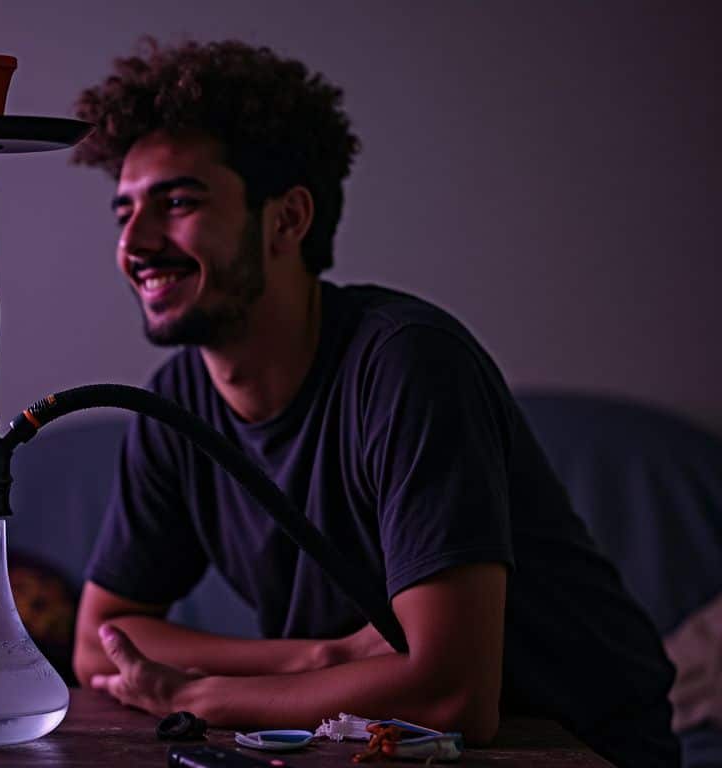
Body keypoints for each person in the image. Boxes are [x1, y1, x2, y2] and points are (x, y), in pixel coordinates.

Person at [68, 38, 679, 767]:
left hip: (573, 749)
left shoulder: (409, 365)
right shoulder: (176, 408)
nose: (135, 242)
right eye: (123, 213)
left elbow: (453, 697)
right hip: (380, 748)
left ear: (287, 219)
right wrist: (314, 659)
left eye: (178, 202)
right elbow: (100, 640)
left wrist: (194, 697)